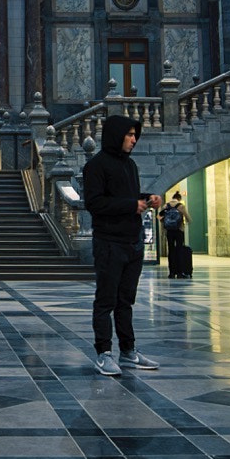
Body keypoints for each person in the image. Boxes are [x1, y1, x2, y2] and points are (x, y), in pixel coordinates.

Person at [81, 115, 162, 375]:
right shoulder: (96, 166)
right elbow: (94, 203)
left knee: (126, 301)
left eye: (135, 135)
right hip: (109, 243)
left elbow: (126, 197)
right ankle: (104, 353)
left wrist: (146, 198)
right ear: (117, 135)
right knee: (106, 301)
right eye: (129, 135)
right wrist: (131, 205)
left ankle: (128, 352)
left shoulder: (131, 165)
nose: (134, 139)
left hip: (132, 243)